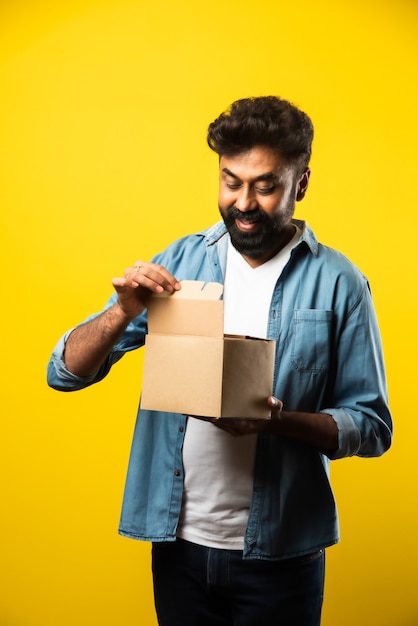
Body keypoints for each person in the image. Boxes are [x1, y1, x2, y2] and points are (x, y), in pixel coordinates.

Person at [47, 96, 392, 626]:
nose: (244, 202)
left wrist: (278, 422)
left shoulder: (341, 283)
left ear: (300, 184)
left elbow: (371, 426)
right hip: (178, 548)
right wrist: (122, 311)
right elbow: (64, 373)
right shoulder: (180, 262)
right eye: (231, 181)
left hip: (283, 556)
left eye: (265, 184)